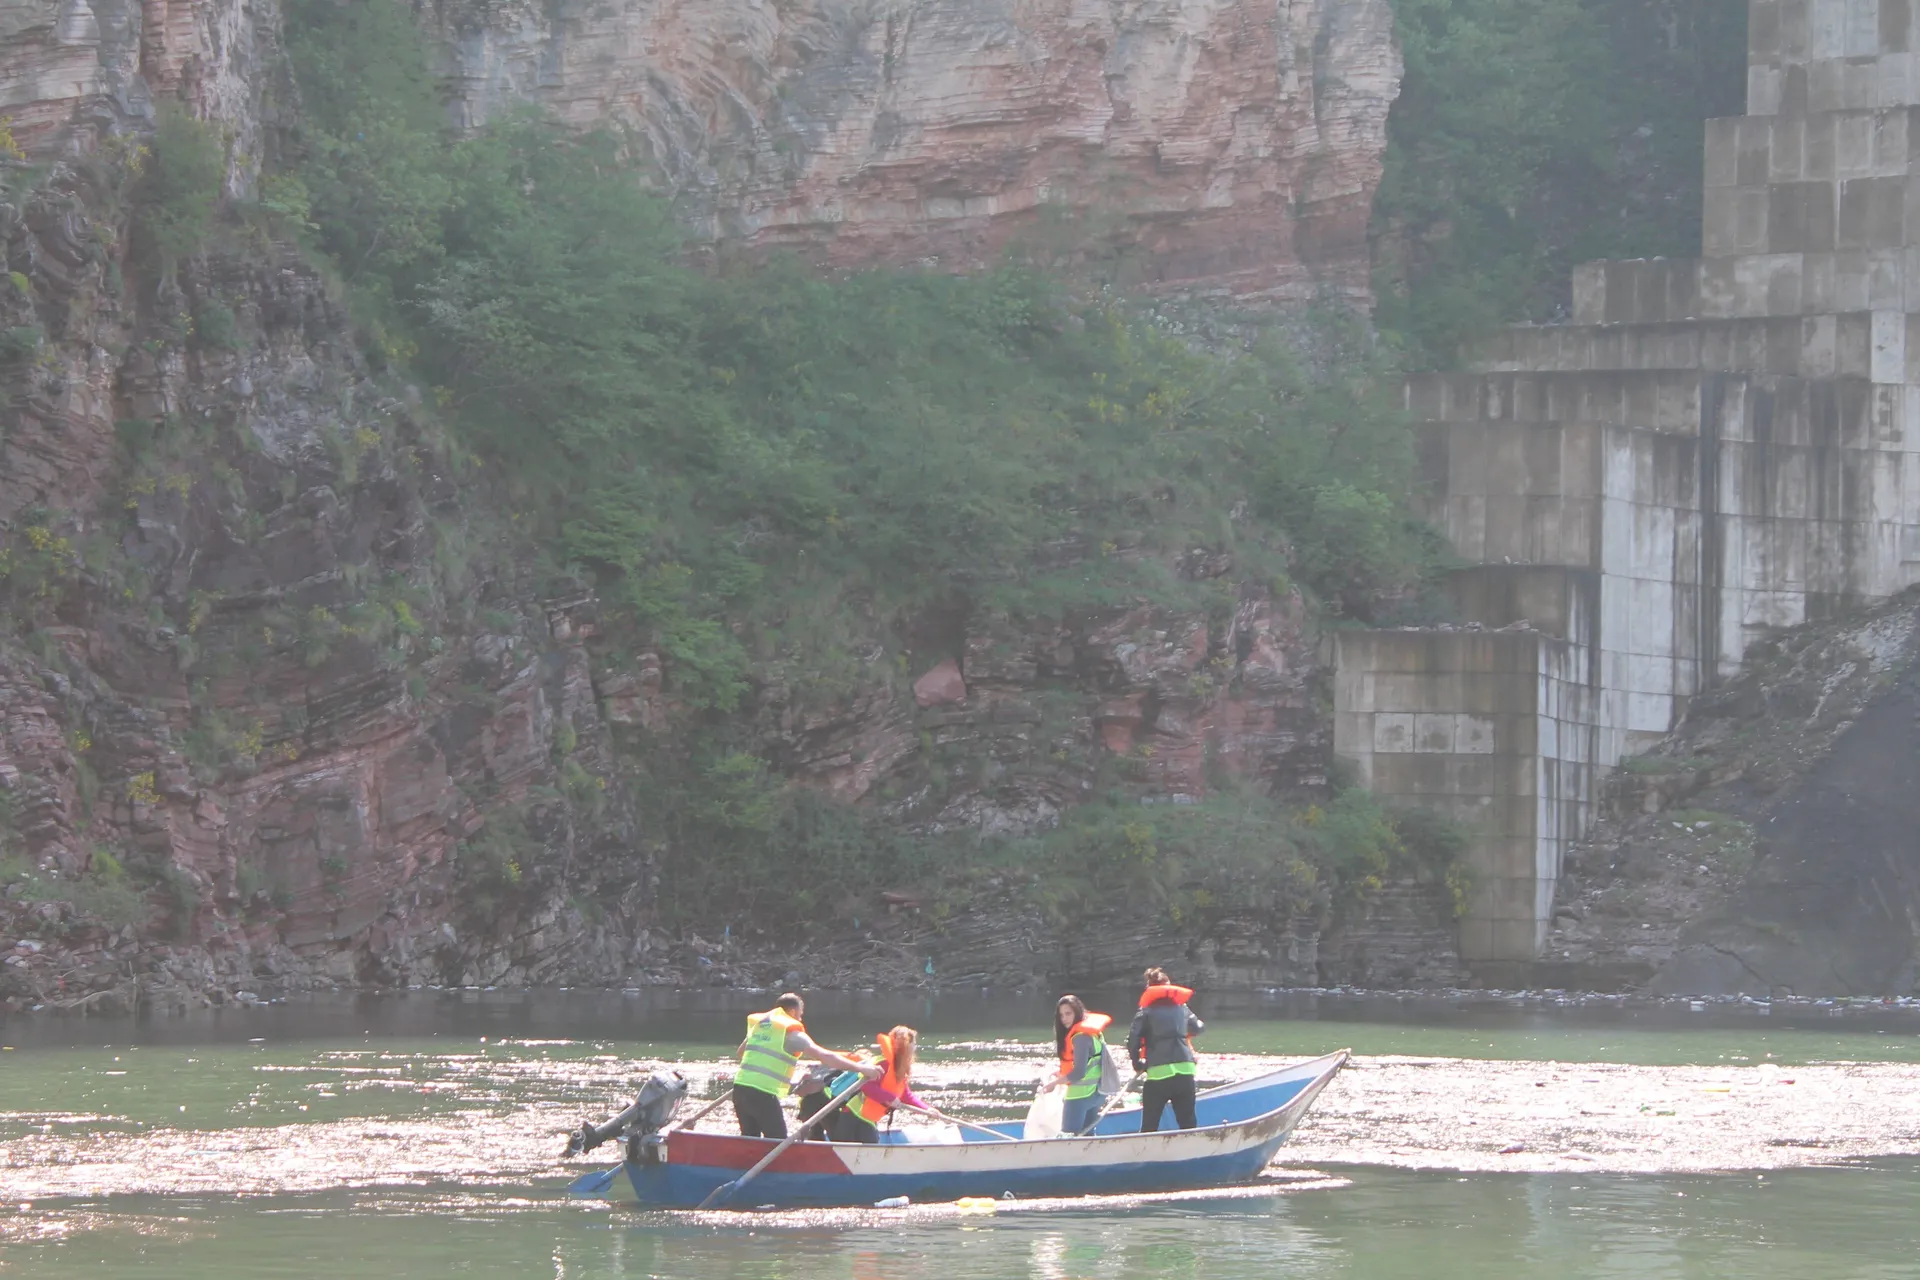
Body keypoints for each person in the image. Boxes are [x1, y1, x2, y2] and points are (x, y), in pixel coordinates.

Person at [732, 993, 878, 1140]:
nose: (801, 1019)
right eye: (800, 1015)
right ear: (793, 1012)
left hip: (740, 1088)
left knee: (750, 1139)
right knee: (777, 1141)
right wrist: (862, 1069)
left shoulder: (761, 1026)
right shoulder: (791, 1033)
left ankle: (745, 1163)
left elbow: (741, 1053)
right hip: (762, 1093)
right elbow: (825, 1056)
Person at [1126, 967, 1205, 1132]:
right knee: (1188, 1124)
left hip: (1159, 1074)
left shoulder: (1145, 1012)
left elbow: (1133, 1040)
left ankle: (1147, 1155)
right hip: (1185, 1070)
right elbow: (1198, 1028)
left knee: (1150, 1125)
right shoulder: (1182, 1008)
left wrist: (1137, 1063)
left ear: (1150, 988)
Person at [832, 1025, 925, 1144]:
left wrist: (927, 1109)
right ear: (905, 1045)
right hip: (854, 1115)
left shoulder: (898, 1068)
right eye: (913, 1044)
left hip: (867, 1118)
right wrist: (890, 1098)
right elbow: (867, 1087)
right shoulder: (883, 1063)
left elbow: (905, 1095)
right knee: (868, 1152)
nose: (915, 1047)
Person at [1047, 994, 1113, 1136]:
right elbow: (1090, 1065)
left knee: (1068, 1136)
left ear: (1077, 1012)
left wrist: (1054, 1084)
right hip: (1095, 1094)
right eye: (1061, 1015)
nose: (1064, 1019)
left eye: (1068, 1013)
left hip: (1079, 1097)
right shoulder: (1094, 1034)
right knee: (1087, 1136)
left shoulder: (1080, 1038)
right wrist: (1061, 1075)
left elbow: (1078, 1073)